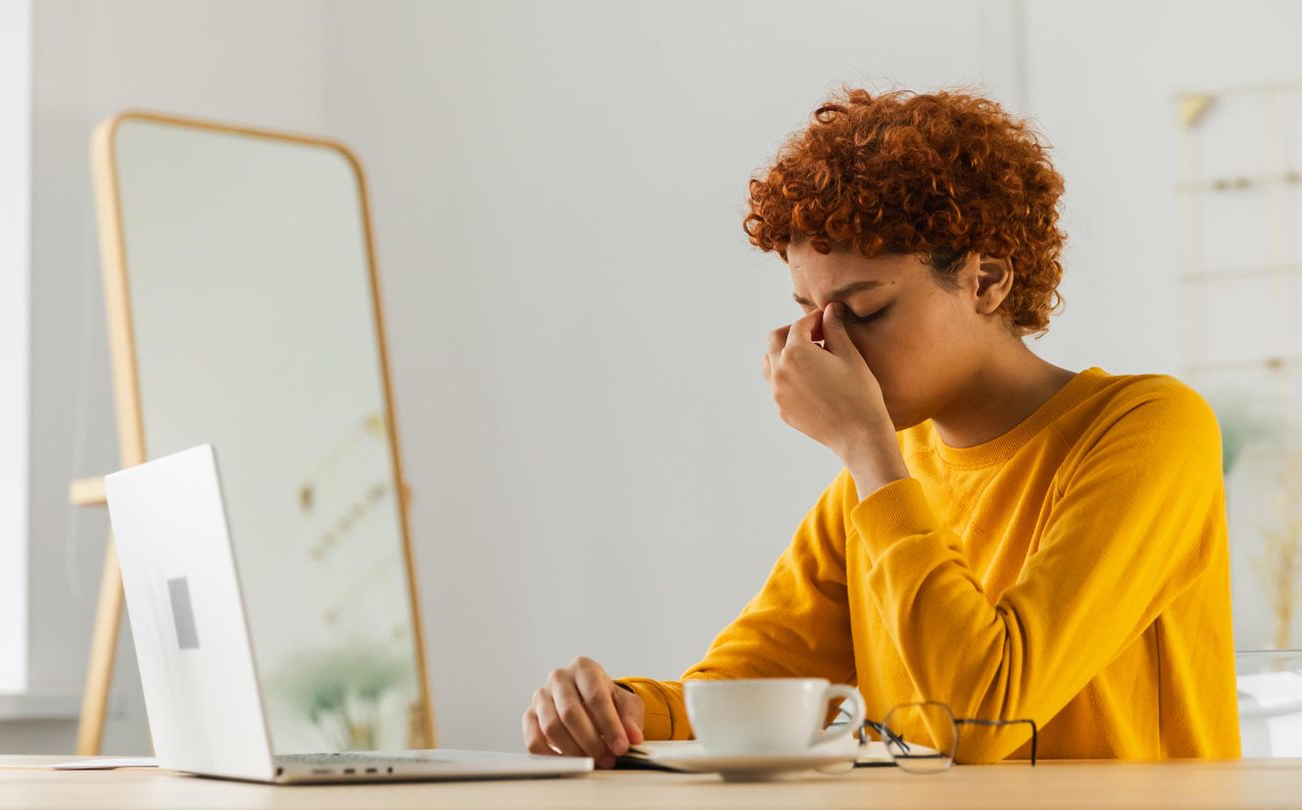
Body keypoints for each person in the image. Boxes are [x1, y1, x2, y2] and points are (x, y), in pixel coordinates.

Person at [520, 87, 1241, 767]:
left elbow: (981, 717)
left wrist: (866, 448)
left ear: (988, 280)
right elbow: (753, 682)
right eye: (808, 308)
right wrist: (621, 710)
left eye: (863, 311)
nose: (824, 344)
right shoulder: (874, 489)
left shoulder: (1149, 429)